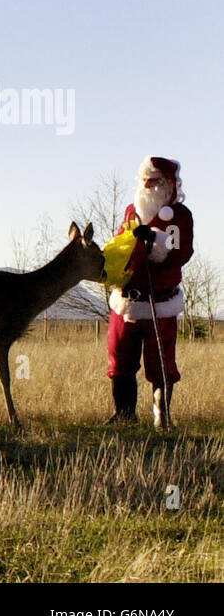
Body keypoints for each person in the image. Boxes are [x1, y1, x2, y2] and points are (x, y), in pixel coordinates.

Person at [107, 156, 193, 428]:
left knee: (161, 362)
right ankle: (124, 414)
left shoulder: (180, 216)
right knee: (119, 357)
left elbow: (181, 251)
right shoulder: (131, 211)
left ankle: (161, 417)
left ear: (168, 184)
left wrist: (156, 242)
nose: (147, 185)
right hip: (127, 300)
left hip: (160, 302)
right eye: (144, 179)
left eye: (153, 180)